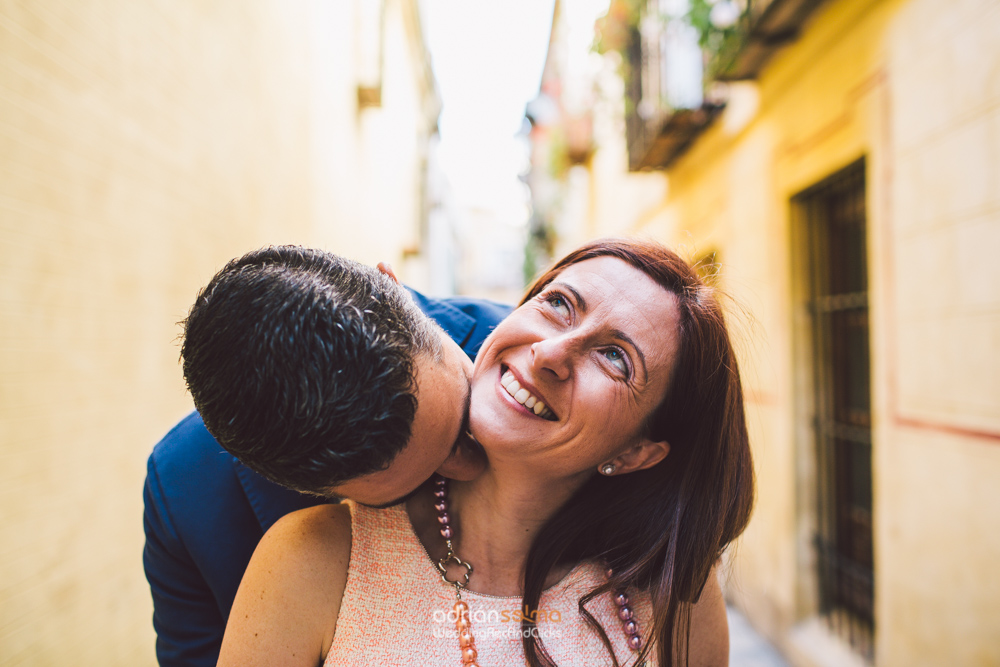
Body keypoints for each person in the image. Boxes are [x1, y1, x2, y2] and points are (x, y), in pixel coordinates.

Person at [217, 238, 755, 667]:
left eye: (615, 358)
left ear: (638, 451)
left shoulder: (674, 592)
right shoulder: (310, 560)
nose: (550, 352)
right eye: (559, 304)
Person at [142, 246, 511, 666]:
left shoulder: (525, 357)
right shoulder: (182, 490)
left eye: (463, 418)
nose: (473, 465)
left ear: (393, 287)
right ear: (295, 485)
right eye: (423, 476)